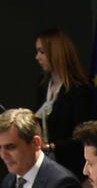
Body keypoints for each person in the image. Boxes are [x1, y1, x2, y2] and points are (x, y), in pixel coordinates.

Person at [34, 28, 93, 180]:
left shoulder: (78, 90)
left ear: (56, 53)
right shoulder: (43, 86)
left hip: (72, 167)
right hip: (46, 165)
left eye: (42, 52)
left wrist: (52, 147)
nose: (37, 57)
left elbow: (83, 135)